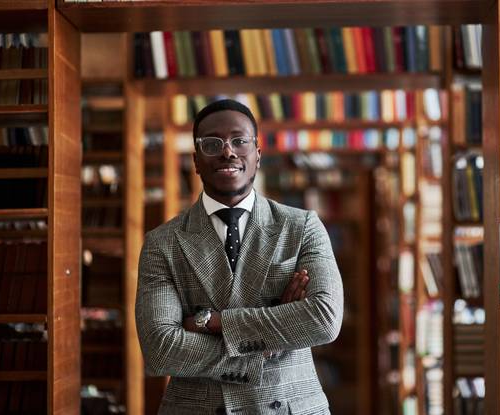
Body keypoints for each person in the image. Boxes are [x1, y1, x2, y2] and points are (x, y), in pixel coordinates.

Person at [135, 99, 344, 415]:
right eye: (212, 144)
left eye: (239, 140)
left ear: (257, 155)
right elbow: (161, 349)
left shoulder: (302, 227)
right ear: (195, 160)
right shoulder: (162, 243)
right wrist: (271, 340)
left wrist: (211, 322)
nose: (227, 151)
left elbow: (324, 319)